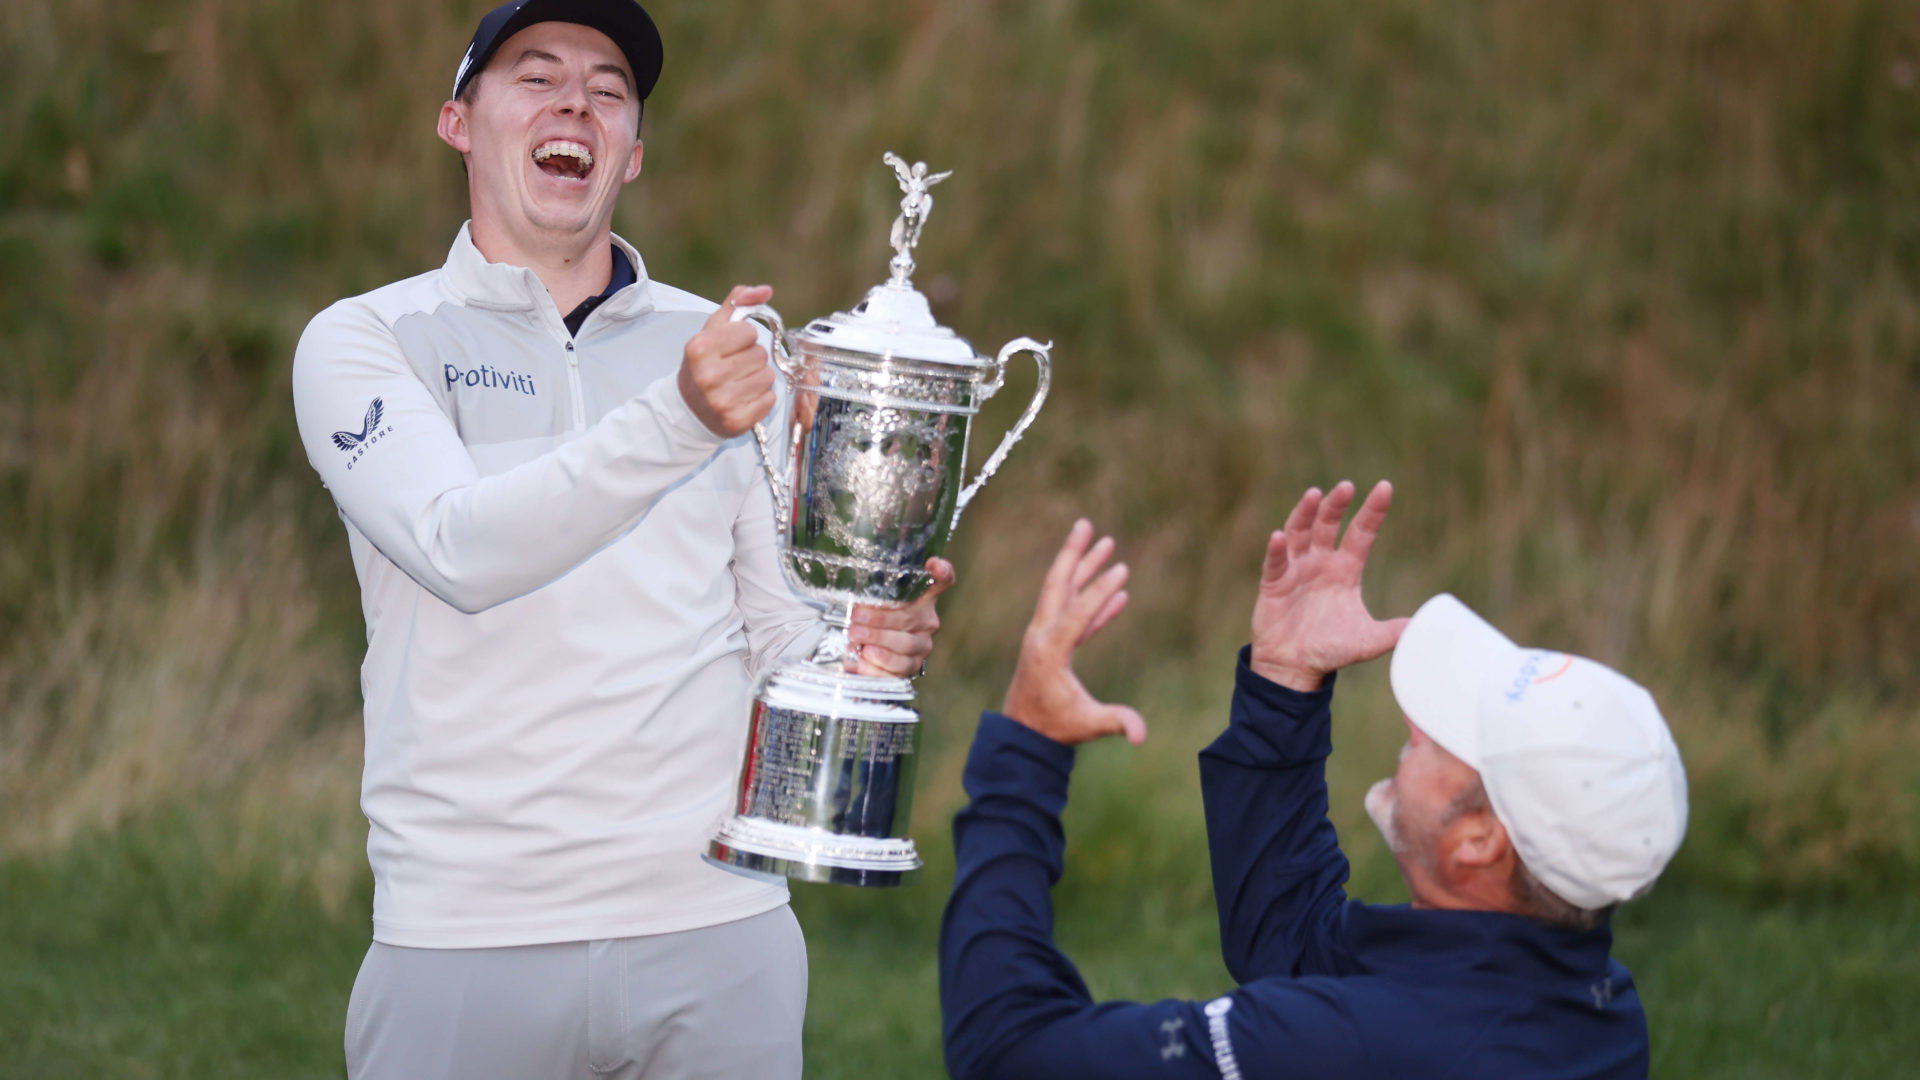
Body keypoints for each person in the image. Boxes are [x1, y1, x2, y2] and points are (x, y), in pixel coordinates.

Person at [290, 2, 949, 1076]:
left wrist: (864, 643)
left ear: (631, 154)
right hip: (465, 936)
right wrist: (678, 418)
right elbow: (459, 549)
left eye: (607, 90)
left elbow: (780, 634)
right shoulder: (366, 339)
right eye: (535, 76)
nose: (574, 103)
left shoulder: (727, 352)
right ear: (458, 122)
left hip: (720, 928)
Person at [940, 480, 1689, 1079]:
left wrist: (1026, 752)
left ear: (1479, 842)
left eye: (1447, 736)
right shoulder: (1594, 1006)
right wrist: (1282, 686)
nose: (1414, 726)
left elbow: (1008, 1050)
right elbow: (1293, 953)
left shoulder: (1349, 1045)